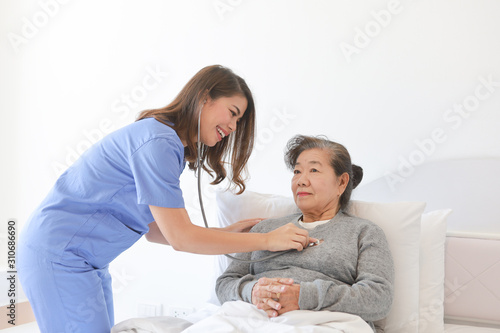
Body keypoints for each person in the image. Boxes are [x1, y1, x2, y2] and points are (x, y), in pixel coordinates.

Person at [18, 65, 314, 333]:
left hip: (86, 262)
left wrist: (225, 233)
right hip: (59, 256)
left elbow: (156, 231)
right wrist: (267, 240)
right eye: (233, 112)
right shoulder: (158, 142)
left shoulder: (165, 143)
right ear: (204, 97)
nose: (234, 127)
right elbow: (180, 238)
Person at [216, 135, 394, 332]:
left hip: (320, 323)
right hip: (249, 317)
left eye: (314, 170)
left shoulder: (364, 232)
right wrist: (252, 291)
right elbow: (225, 283)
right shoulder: (265, 229)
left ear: (342, 183)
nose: (301, 180)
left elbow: (379, 298)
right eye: (297, 171)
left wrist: (304, 296)